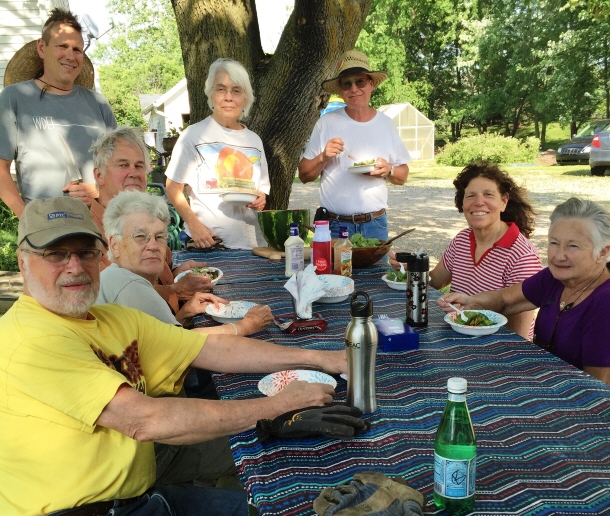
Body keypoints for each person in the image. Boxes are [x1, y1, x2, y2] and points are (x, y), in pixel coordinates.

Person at [0, 195, 347, 515]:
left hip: (136, 491)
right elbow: (144, 420)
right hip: (84, 509)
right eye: (55, 254)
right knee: (284, 498)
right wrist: (277, 406)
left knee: (282, 470)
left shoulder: (110, 319)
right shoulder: (30, 338)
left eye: (86, 252)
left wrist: (320, 358)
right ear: (22, 261)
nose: (74, 266)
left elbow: (209, 347)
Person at [439, 197, 610, 386]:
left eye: (573, 246)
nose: (559, 256)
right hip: (544, 382)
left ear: (602, 252)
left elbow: (598, 388)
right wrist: (470, 302)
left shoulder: (604, 302)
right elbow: (505, 299)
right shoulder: (555, 278)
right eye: (554, 243)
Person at [392, 162, 542, 339]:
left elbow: (520, 336)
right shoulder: (462, 239)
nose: (479, 202)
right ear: (462, 203)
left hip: (494, 346)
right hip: (455, 333)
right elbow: (435, 280)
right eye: (470, 196)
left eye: (488, 195)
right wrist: (413, 268)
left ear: (504, 201)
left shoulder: (522, 255)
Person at [98, 190, 272, 335]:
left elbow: (160, 336)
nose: (153, 245)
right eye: (140, 237)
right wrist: (243, 326)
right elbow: (182, 343)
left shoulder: (117, 276)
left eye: (159, 236)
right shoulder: (130, 286)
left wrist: (186, 312)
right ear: (114, 245)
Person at [0, 8, 117, 217]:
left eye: (77, 49)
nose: (70, 56)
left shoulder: (98, 104)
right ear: (42, 47)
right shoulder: (15, 97)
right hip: (45, 231)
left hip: (97, 229)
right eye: (62, 46)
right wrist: (28, 219)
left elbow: (120, 169)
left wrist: (98, 192)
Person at [89, 126, 213, 313]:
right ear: (99, 175)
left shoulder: (147, 217)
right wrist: (176, 291)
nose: (134, 173)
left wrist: (176, 275)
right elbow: (118, 294)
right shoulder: (88, 234)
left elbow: (149, 276)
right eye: (123, 165)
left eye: (139, 166)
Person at [298, 50, 411, 240]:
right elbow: (304, 175)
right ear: (341, 90)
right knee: (333, 271)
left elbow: (403, 175)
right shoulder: (327, 123)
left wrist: (389, 170)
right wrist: (323, 157)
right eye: (346, 84)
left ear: (371, 84)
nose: (354, 89)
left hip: (375, 224)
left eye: (360, 81)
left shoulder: (386, 124)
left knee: (379, 271)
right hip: (334, 225)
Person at [165, 58, 270, 250]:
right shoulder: (193, 135)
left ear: (245, 98)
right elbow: (172, 187)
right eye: (221, 89)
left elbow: (260, 191)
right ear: (211, 94)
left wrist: (260, 198)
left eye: (236, 90)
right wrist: (195, 227)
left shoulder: (254, 140)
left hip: (252, 245)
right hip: (209, 244)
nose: (228, 97)